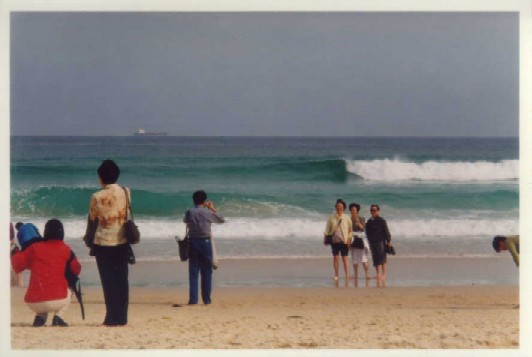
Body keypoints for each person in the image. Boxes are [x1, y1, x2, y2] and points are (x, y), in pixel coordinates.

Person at [11, 219, 81, 327]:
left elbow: (17, 265)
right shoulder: (66, 249)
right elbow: (76, 270)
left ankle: (40, 317)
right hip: (58, 300)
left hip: (33, 302)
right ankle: (58, 317)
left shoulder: (34, 248)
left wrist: (15, 252)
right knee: (70, 287)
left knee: (43, 288)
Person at [86, 159, 131, 326]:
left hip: (103, 242)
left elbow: (93, 218)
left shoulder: (96, 196)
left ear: (100, 178)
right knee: (122, 280)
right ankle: (122, 317)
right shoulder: (126, 192)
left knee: (108, 281)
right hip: (123, 240)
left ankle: (111, 317)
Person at [183, 190, 225, 305]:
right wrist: (212, 208)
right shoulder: (207, 213)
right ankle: (206, 300)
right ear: (204, 201)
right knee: (206, 272)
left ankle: (193, 300)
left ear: (193, 200)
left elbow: (185, 221)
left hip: (193, 242)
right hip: (205, 243)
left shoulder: (189, 212)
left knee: (193, 272)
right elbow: (221, 219)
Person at [324, 199, 353, 286]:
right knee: (335, 258)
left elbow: (350, 230)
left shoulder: (347, 218)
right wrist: (325, 238)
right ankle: (336, 274)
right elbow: (327, 229)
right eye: (337, 206)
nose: (339, 207)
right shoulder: (331, 217)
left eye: (340, 206)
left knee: (345, 258)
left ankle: (347, 275)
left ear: (343, 208)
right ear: (335, 207)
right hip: (334, 241)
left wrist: (349, 239)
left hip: (344, 241)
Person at [365, 204, 392, 287]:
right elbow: (367, 232)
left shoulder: (381, 220)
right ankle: (378, 274)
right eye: (371, 210)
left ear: (378, 211)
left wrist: (389, 241)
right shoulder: (369, 221)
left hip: (380, 241)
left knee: (382, 258)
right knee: (375, 259)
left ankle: (383, 275)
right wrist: (368, 241)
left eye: (374, 210)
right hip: (372, 242)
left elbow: (386, 231)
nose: (373, 212)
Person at [348, 203, 369, 287]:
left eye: (354, 210)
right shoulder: (349, 219)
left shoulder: (362, 218)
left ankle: (366, 274)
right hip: (353, 239)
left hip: (361, 239)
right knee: (355, 260)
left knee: (364, 259)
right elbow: (348, 230)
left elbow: (363, 228)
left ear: (357, 211)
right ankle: (356, 275)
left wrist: (357, 221)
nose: (352, 211)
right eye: (351, 210)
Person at [10, 223, 24, 287]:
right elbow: (12, 238)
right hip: (11, 245)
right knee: (16, 268)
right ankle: (19, 284)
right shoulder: (9, 224)